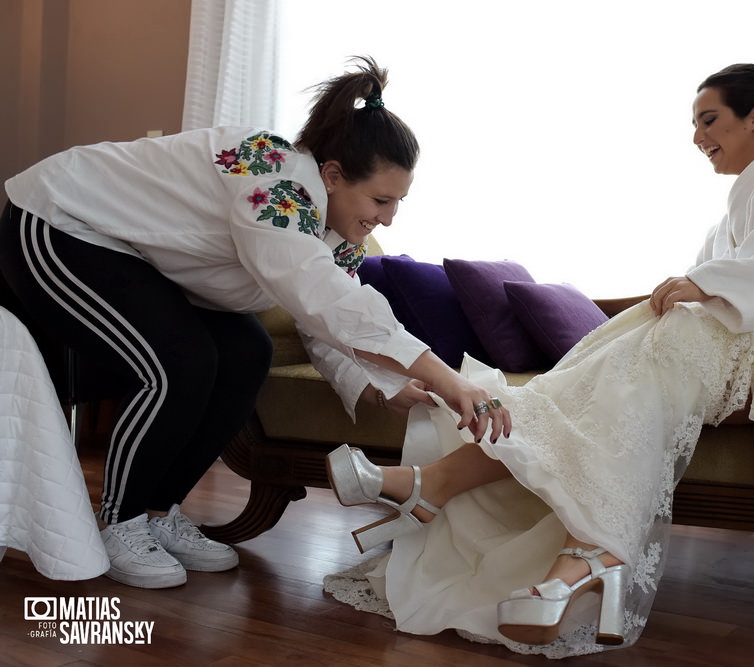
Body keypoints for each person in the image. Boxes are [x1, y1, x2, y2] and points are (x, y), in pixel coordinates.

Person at [322, 63, 754, 658]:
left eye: (709, 120)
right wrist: (702, 287)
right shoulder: (750, 192)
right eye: (695, 124)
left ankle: (500, 513)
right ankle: (477, 505)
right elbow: (737, 278)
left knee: (640, 358)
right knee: (592, 375)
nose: (698, 137)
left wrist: (702, 283)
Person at [0, 57, 510, 590]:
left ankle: (158, 513)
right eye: (381, 200)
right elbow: (326, 301)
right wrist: (446, 378)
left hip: (137, 255)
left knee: (247, 353)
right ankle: (121, 521)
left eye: (398, 203)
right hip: (61, 221)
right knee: (178, 364)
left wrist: (381, 385)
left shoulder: (335, 234)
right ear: (332, 175)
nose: (388, 218)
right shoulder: (275, 180)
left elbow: (324, 319)